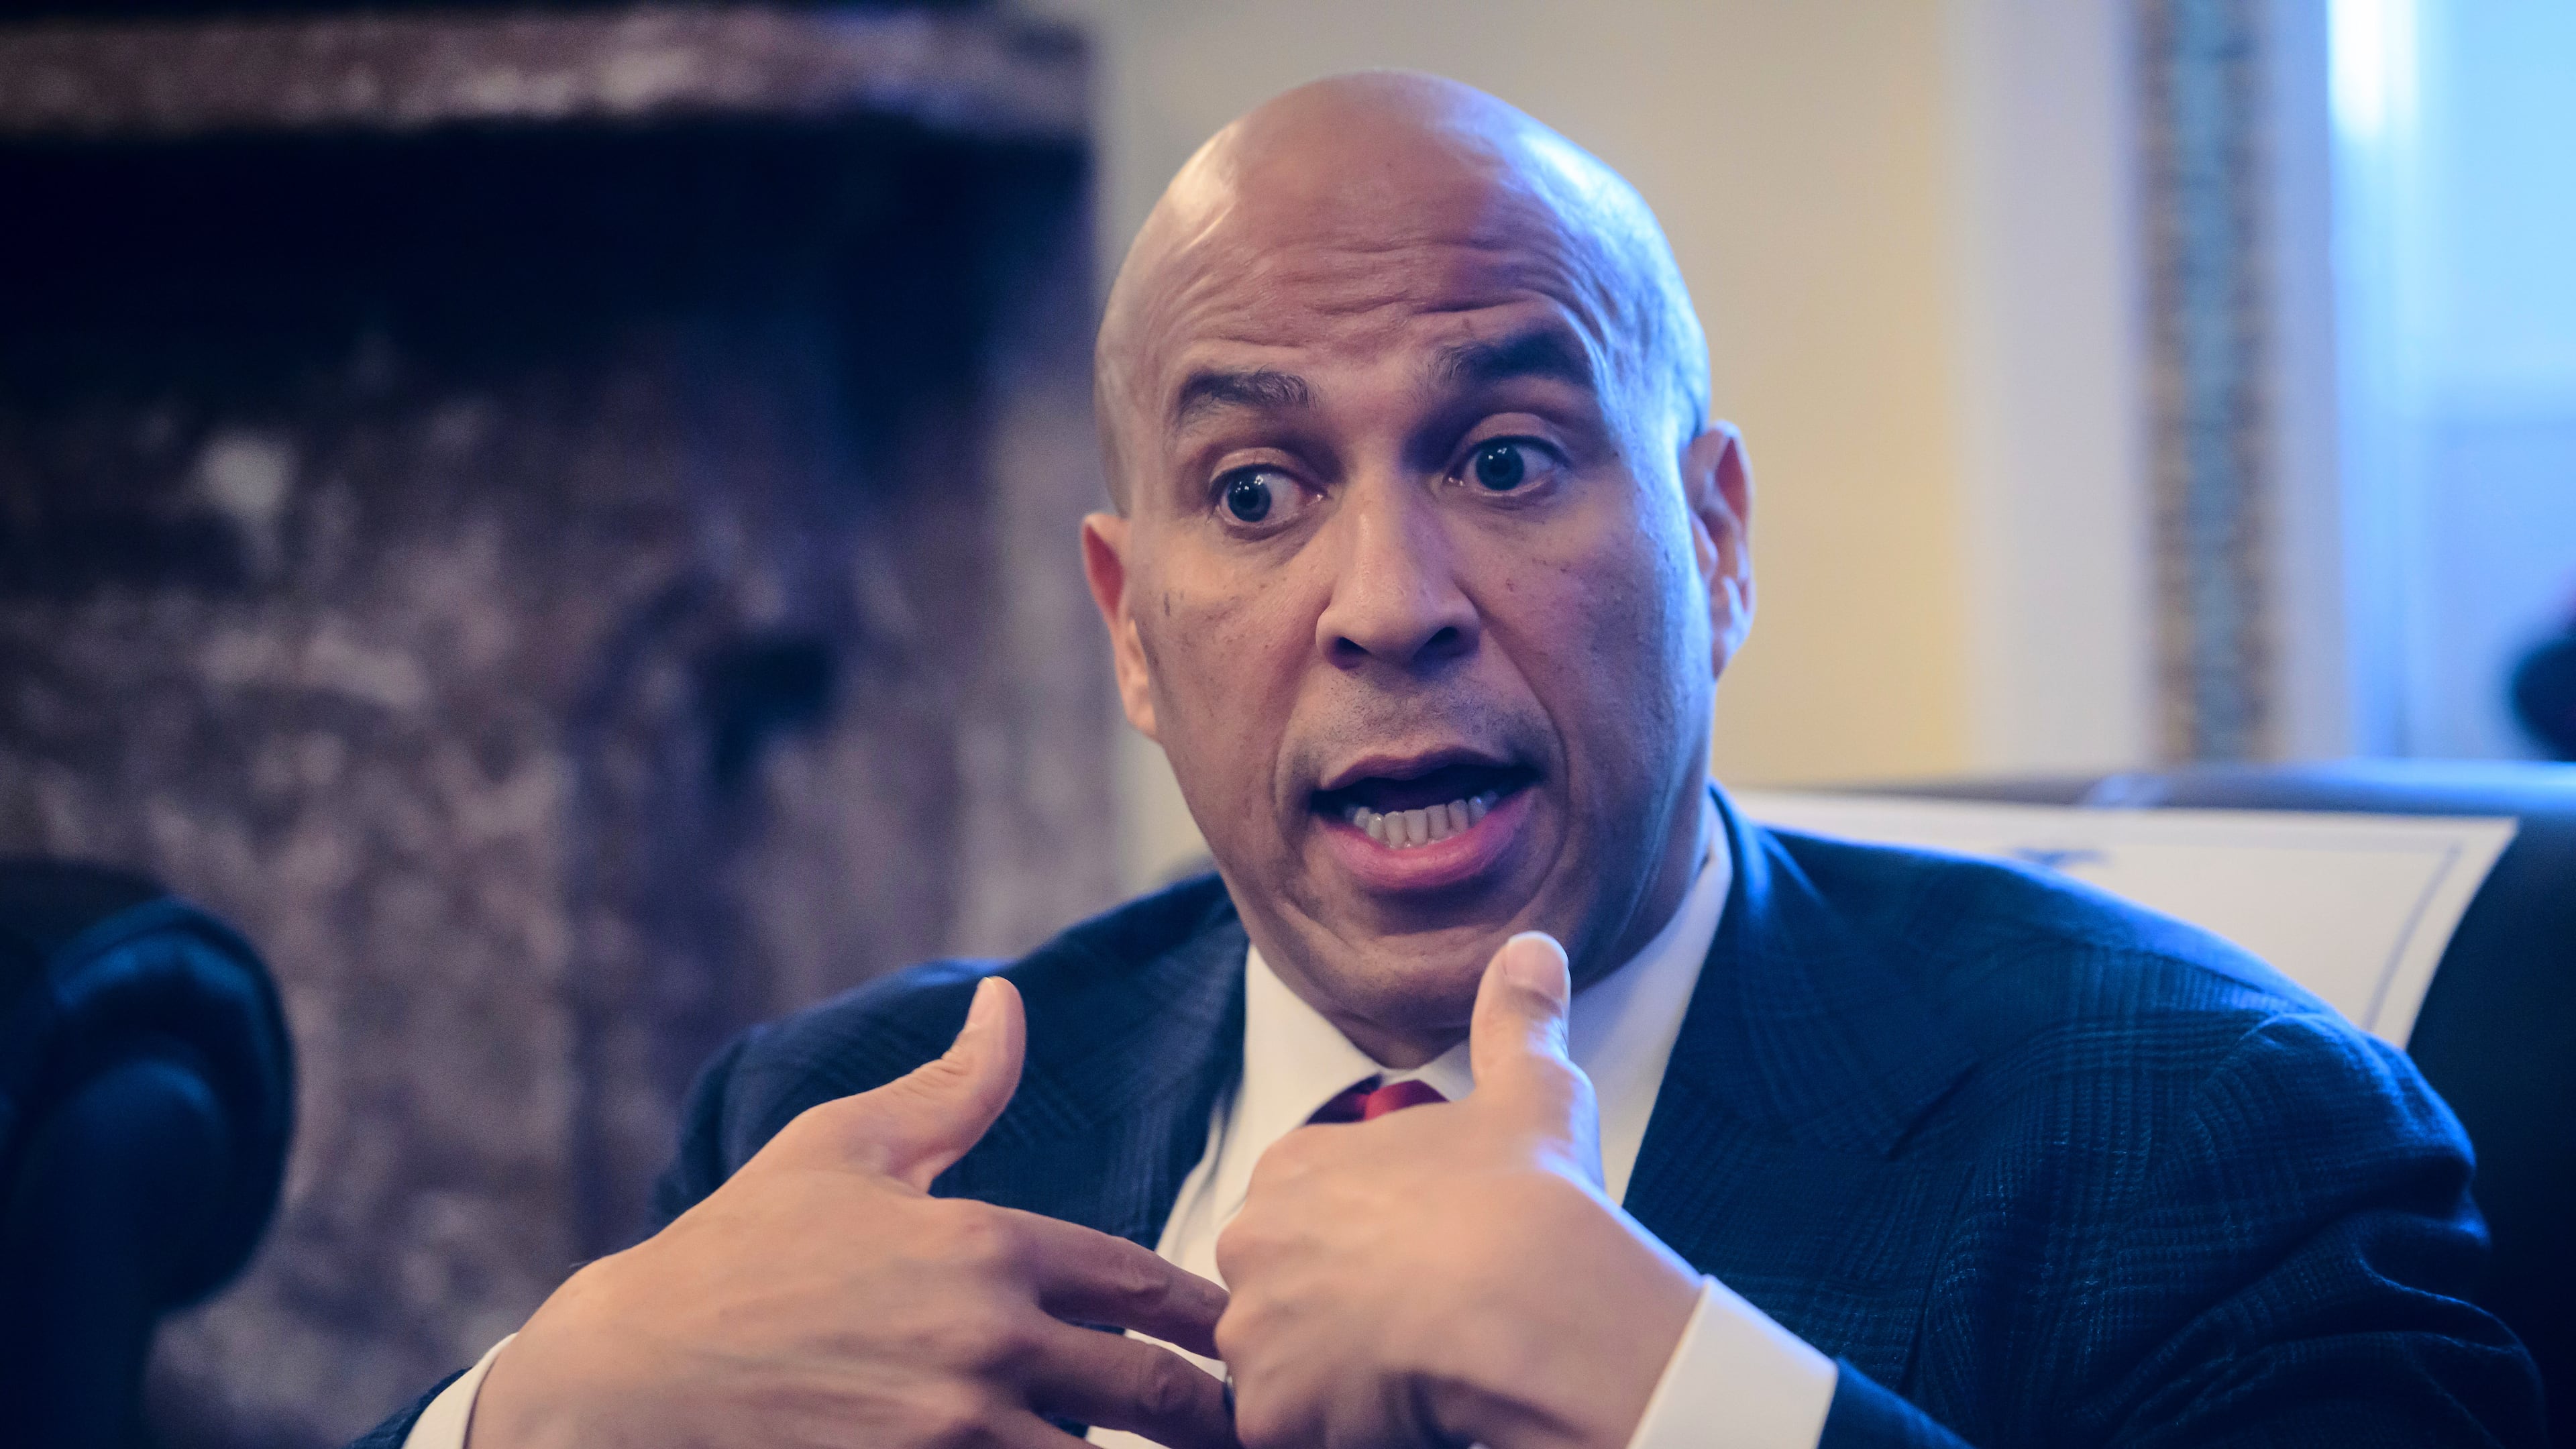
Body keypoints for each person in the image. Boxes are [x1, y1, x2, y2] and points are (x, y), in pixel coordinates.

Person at [358, 72, 2543, 1449]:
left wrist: (1672, 1392)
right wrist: (537, 1416)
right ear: (1129, 628)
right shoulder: (849, 1134)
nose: (1385, 597)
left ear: (1712, 538)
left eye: (1505, 457)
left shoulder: (2216, 1148)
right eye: (1253, 493)